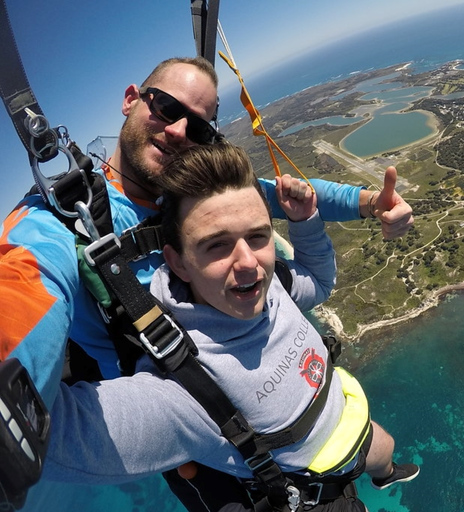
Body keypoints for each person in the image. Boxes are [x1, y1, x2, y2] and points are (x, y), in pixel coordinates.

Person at [0, 56, 413, 406]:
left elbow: (292, 195)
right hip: (186, 410)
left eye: (198, 129)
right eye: (164, 106)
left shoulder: (192, 190)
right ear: (131, 100)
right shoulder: (60, 220)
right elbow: (23, 282)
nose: (178, 132)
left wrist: (372, 204)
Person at [41, 143, 419, 511]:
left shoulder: (270, 288)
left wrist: (304, 222)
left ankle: (384, 475)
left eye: (257, 236)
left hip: (349, 425)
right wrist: (39, 282)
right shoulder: (183, 387)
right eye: (217, 246)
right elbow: (52, 436)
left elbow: (317, 283)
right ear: (179, 263)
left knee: (383, 448)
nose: (247, 263)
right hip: (316, 495)